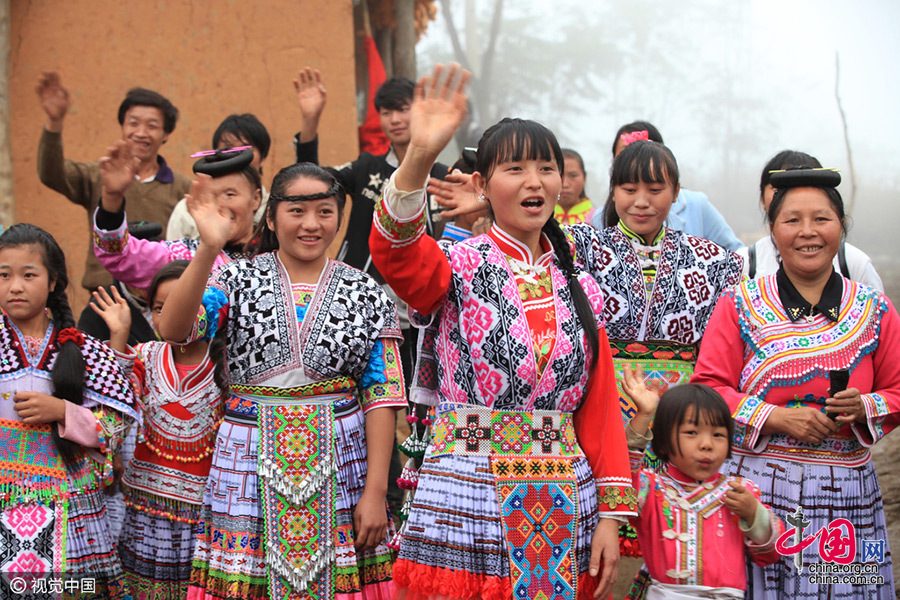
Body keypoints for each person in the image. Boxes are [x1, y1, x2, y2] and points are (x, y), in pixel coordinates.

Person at [369, 64, 636, 600]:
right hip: (466, 496)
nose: (534, 181)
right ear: (483, 186)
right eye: (514, 168)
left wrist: (612, 513)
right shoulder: (457, 265)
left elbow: (600, 404)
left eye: (546, 168)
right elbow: (394, 252)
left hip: (565, 497)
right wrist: (419, 156)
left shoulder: (580, 283)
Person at [158, 163, 405, 599]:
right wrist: (209, 248)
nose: (311, 224)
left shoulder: (367, 292)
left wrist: (375, 491)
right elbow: (176, 330)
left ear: (339, 218)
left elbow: (381, 396)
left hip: (342, 465)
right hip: (249, 460)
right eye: (297, 211)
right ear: (271, 218)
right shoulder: (232, 279)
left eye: (325, 212)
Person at [692, 168, 900, 598]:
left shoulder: (875, 310)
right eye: (792, 220)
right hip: (757, 497)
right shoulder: (739, 305)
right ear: (772, 230)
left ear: (842, 226)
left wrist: (865, 407)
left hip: (847, 501)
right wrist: (778, 418)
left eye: (821, 219)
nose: (808, 232)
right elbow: (710, 389)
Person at [0, 224, 137, 596]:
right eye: (4, 275)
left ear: (53, 281)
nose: (15, 286)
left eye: (29, 275)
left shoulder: (85, 349)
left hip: (69, 500)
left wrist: (62, 410)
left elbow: (116, 424)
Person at [91, 263, 226, 599]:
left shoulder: (227, 364)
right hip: (144, 514)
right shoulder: (145, 356)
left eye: (184, 302)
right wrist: (119, 337)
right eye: (159, 308)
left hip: (204, 517)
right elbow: (113, 405)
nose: (170, 314)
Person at [620, 372, 783, 598]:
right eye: (692, 433)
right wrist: (644, 415)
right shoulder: (652, 490)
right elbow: (620, 484)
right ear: (665, 441)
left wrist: (754, 514)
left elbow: (771, 553)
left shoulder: (741, 492)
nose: (706, 445)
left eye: (718, 434)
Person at [35, 72, 190, 291]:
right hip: (103, 294)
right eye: (133, 123)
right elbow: (51, 173)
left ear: (166, 134)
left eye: (152, 126)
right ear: (123, 126)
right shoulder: (100, 175)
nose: (141, 133)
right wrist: (54, 122)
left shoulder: (181, 188)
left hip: (158, 299)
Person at [93, 144, 261, 291]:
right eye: (211, 197)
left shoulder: (278, 252)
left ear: (256, 199)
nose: (220, 206)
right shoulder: (185, 256)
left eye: (229, 194)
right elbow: (120, 256)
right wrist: (112, 198)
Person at [739, 150, 884, 290]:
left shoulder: (855, 263)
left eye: (820, 218)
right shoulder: (744, 264)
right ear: (762, 198)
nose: (807, 232)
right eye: (780, 188)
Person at [592, 121, 743, 251]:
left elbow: (737, 256)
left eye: (655, 190)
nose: (641, 202)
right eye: (630, 190)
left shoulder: (697, 208)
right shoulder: (595, 233)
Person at [166, 114, 271, 240]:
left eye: (245, 148)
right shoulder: (187, 209)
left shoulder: (274, 208)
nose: (236, 155)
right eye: (228, 148)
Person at [555, 148, 595, 225]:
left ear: (584, 177)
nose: (565, 184)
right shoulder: (539, 218)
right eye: (559, 175)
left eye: (573, 175)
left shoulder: (597, 219)